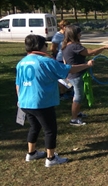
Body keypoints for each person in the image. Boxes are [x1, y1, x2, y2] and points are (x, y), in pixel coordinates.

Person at [16, 34, 94, 167]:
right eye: (45, 44)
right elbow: (69, 69)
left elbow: (18, 84)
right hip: (41, 101)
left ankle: (31, 153)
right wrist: (86, 65)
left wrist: (20, 100)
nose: (47, 47)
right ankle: (51, 158)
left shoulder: (21, 62)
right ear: (40, 46)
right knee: (50, 130)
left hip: (25, 102)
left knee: (34, 127)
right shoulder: (45, 61)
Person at [61, 25, 108, 126]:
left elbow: (64, 61)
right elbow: (91, 53)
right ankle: (74, 119)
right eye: (79, 33)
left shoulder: (66, 45)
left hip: (72, 74)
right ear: (74, 35)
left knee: (77, 95)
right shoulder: (75, 46)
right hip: (76, 75)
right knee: (78, 96)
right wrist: (104, 47)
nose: (81, 34)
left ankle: (77, 113)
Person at [50, 20, 72, 99]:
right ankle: (62, 93)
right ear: (63, 27)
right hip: (60, 58)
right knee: (61, 77)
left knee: (68, 76)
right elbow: (52, 48)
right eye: (68, 26)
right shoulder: (57, 36)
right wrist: (56, 55)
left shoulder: (68, 35)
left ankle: (69, 90)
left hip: (68, 58)